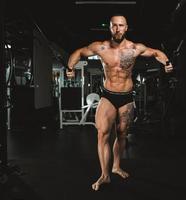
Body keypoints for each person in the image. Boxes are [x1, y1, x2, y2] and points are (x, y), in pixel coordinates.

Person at [66, 14, 174, 191]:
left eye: (121, 25)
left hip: (126, 96)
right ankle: (104, 175)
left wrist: (167, 62)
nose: (117, 28)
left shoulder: (134, 48)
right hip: (108, 95)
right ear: (110, 28)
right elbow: (78, 53)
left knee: (122, 133)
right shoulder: (100, 47)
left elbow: (155, 52)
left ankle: (116, 166)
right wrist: (70, 68)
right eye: (114, 25)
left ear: (126, 27)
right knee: (102, 134)